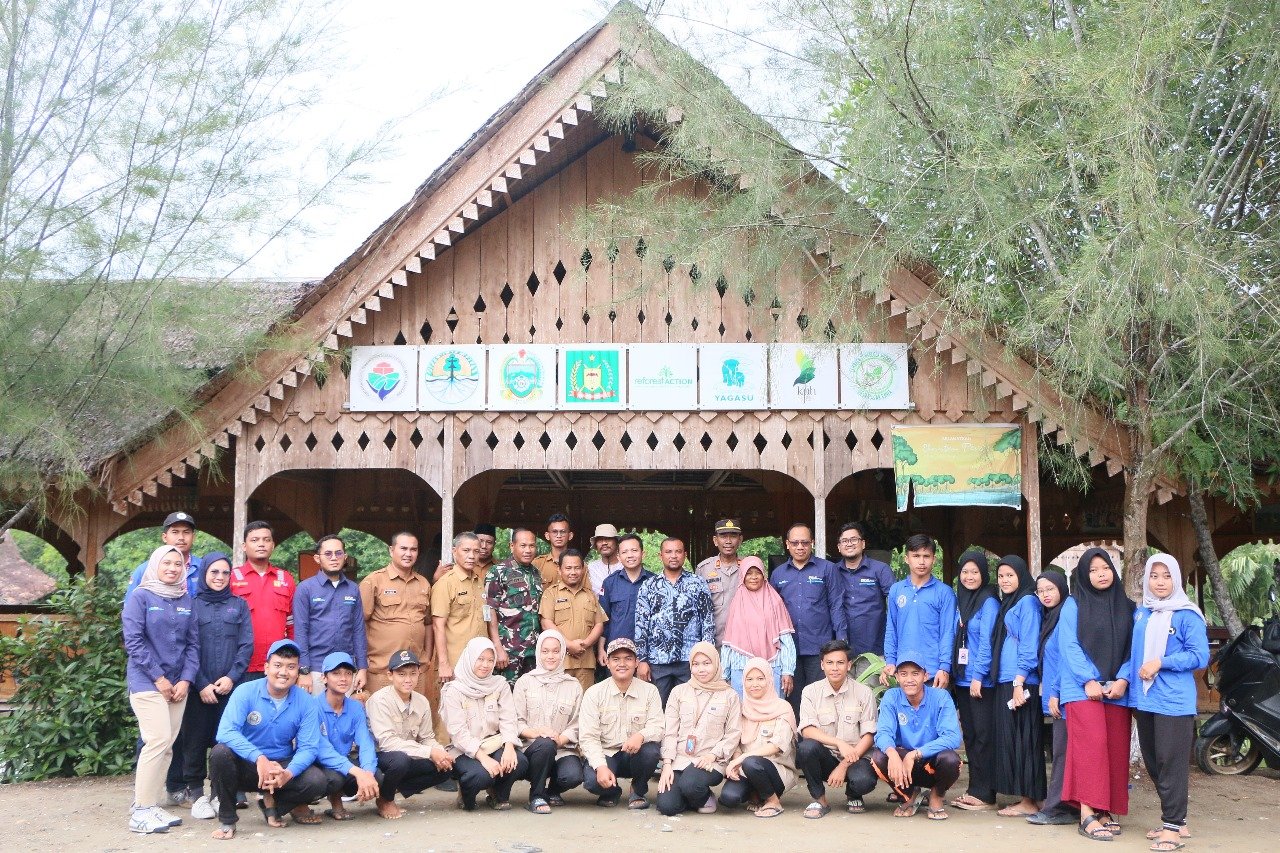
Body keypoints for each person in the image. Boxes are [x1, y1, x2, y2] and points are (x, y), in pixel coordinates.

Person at [208, 639, 328, 840]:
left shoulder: (306, 702)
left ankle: (274, 806)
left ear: (298, 671)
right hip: (248, 766)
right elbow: (225, 732)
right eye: (278, 665)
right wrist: (259, 758)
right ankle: (228, 820)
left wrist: (288, 773)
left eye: (291, 667)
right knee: (220, 753)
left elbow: (308, 747)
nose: (284, 672)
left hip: (280, 766)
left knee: (318, 781)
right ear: (266, 668)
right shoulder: (245, 691)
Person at [123, 511, 204, 808]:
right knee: (156, 741)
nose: (172, 567)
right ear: (156, 564)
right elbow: (133, 639)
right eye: (166, 562)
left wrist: (185, 679)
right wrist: (159, 677)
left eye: (177, 563)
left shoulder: (184, 598)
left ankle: (152, 804)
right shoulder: (141, 595)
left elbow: (193, 643)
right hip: (148, 680)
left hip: (178, 681)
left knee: (167, 746)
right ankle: (142, 807)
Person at [1130, 554, 1208, 852]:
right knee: (1153, 762)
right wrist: (1125, 683)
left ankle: (1173, 827)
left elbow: (1200, 655)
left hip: (1174, 700)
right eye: (1154, 576)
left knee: (1171, 763)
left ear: (1176, 579)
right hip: (1144, 698)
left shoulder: (1187, 615)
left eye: (1166, 576)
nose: (1160, 582)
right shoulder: (1143, 613)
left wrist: (1162, 662)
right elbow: (1134, 656)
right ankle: (1176, 820)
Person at [1059, 547, 1134, 842]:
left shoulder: (1128, 606)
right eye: (1092, 570)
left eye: (1105, 568)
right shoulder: (1073, 604)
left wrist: (1124, 679)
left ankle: (1106, 810)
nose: (1100, 574)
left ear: (1113, 571)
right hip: (1081, 688)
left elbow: (1134, 649)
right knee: (1092, 746)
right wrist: (1088, 679)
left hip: (1117, 689)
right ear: (1083, 574)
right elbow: (1069, 645)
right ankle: (1087, 813)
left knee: (1115, 748)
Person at [360, 532, 449, 757]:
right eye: (403, 549)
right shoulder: (374, 581)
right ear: (391, 551)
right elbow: (358, 624)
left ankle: (410, 777)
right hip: (381, 670)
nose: (408, 554)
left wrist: (428, 654)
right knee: (379, 730)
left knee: (412, 726)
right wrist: (360, 664)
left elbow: (428, 623)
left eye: (413, 549)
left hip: (413, 670)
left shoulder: (423, 583)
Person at [181, 553, 253, 815]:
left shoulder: (239, 605)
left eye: (225, 573)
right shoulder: (191, 604)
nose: (220, 577)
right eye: (214, 572)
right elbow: (187, 647)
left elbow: (246, 646)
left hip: (230, 688)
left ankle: (218, 793)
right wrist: (201, 684)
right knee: (195, 740)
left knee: (224, 741)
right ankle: (197, 794)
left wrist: (231, 678)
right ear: (204, 574)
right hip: (198, 688)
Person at [868, 654, 964, 820]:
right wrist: (892, 753)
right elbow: (883, 733)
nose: (909, 679)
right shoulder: (892, 697)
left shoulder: (941, 697)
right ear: (896, 677)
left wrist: (916, 754)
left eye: (915, 673)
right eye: (903, 674)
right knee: (878, 757)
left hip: (931, 763)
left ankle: (936, 796)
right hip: (903, 764)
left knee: (951, 760)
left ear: (925, 676)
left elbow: (953, 737)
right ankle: (908, 794)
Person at [439, 637, 529, 811]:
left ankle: (498, 794)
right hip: (463, 750)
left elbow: (508, 718)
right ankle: (466, 796)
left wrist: (509, 746)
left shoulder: (499, 685)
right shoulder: (453, 690)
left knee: (519, 761)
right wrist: (483, 758)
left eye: (490, 660)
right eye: (480, 659)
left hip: (493, 742)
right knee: (480, 775)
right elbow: (458, 733)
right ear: (470, 658)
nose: (485, 665)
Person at [365, 649, 455, 819]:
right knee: (399, 760)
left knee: (447, 767)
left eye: (413, 674)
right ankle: (386, 799)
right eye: (401, 674)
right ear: (390, 675)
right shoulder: (379, 701)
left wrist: (441, 753)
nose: (408, 679)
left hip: (409, 755)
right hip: (379, 758)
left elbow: (427, 737)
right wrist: (429, 752)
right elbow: (387, 743)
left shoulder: (421, 701)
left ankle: (392, 788)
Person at [770, 522, 847, 719]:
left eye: (804, 542)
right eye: (795, 543)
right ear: (787, 544)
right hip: (789, 650)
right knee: (793, 699)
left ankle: (819, 746)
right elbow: (771, 613)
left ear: (812, 542)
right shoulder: (778, 574)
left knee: (820, 699)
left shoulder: (827, 569)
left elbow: (836, 606)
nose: (800, 547)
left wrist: (841, 644)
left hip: (819, 648)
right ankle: (796, 745)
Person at [796, 639, 878, 819]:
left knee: (864, 781)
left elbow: (869, 735)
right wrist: (838, 743)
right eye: (829, 663)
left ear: (849, 665)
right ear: (822, 665)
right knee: (806, 748)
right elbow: (807, 730)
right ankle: (820, 799)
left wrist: (844, 764)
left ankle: (854, 794)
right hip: (826, 757)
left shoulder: (864, 692)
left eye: (840, 663)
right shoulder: (810, 692)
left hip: (856, 756)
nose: (835, 668)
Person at [656, 642, 742, 816]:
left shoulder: (729, 695)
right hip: (680, 759)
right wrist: (666, 764)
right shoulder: (679, 692)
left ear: (716, 664)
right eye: (696, 664)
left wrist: (713, 754)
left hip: (710, 761)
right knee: (667, 806)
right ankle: (690, 797)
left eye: (706, 663)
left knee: (690, 784)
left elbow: (733, 733)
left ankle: (704, 797)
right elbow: (670, 731)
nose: (701, 669)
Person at [579, 638, 665, 809]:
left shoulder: (650, 691)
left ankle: (637, 790)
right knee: (592, 782)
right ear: (608, 663)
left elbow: (658, 727)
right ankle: (612, 791)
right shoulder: (594, 693)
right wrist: (601, 766)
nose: (622, 664)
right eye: (616, 659)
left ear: (636, 663)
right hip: (607, 754)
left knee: (651, 751)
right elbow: (588, 737)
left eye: (628, 658)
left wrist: (641, 736)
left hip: (635, 755)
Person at [989, 554, 1045, 817]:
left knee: (1026, 741)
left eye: (1010, 575)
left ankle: (1030, 800)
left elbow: (1029, 644)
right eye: (1001, 576)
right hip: (1007, 680)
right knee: (1016, 740)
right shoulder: (1010, 603)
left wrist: (1018, 681)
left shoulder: (1028, 602)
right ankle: (1028, 798)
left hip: (1020, 682)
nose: (1005, 580)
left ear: (1021, 576)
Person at [634, 537, 715, 707]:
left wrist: (707, 656)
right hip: (658, 661)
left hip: (690, 660)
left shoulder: (697, 583)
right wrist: (641, 660)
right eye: (668, 552)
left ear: (685, 555)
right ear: (660, 555)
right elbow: (641, 624)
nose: (673, 556)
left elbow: (707, 621)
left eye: (678, 551)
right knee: (657, 709)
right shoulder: (649, 585)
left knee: (689, 708)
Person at [948, 550, 999, 811]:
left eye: (975, 572)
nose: (969, 577)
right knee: (969, 736)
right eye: (965, 572)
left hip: (982, 682)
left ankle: (986, 793)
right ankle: (975, 788)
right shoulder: (961, 601)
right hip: (963, 680)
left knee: (983, 737)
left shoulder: (988, 602)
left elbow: (988, 643)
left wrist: (978, 675)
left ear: (983, 574)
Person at [514, 630, 585, 814]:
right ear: (538, 652)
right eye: (545, 651)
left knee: (573, 776)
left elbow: (577, 724)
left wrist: (560, 740)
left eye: (555, 651)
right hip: (531, 750)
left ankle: (552, 791)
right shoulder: (525, 682)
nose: (550, 656)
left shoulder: (573, 686)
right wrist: (536, 733)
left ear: (562, 653)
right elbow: (516, 722)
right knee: (544, 745)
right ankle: (537, 796)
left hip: (561, 749)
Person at [1027, 569, 1077, 826]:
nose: (1045, 595)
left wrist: (1055, 693)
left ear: (1062, 588)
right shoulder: (1051, 617)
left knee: (1063, 752)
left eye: (1050, 589)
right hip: (1057, 695)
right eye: (1041, 591)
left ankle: (1058, 808)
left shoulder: (1067, 616)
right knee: (1062, 751)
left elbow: (1066, 660)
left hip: (1067, 695)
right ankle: (1062, 805)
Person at [719, 656, 797, 818]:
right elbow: (736, 743)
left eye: (760, 678)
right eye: (749, 679)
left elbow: (777, 745)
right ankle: (755, 793)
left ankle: (773, 801)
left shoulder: (783, 708)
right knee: (728, 799)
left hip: (776, 770)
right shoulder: (741, 708)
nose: (754, 684)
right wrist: (738, 761)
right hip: (745, 767)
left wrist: (743, 758)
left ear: (769, 680)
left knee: (752, 762)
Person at [307, 652, 380, 822]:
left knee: (378, 775)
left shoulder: (355, 707)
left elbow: (366, 742)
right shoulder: (312, 707)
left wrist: (367, 773)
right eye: (336, 673)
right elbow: (320, 750)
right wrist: (357, 772)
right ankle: (302, 806)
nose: (343, 678)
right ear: (324, 678)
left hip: (342, 761)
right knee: (332, 777)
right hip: (315, 763)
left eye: (348, 673)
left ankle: (363, 795)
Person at [293, 533, 367, 695]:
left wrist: (362, 668)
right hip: (316, 669)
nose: (334, 557)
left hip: (346, 669)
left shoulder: (353, 589)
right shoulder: (305, 589)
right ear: (317, 558)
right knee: (315, 718)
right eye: (328, 554)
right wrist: (304, 671)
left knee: (343, 717)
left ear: (345, 557)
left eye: (338, 553)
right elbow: (300, 631)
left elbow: (358, 630)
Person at [882, 534, 956, 691]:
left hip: (933, 672)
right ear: (906, 558)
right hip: (902, 671)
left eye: (926, 556)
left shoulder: (945, 592)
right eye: (916, 556)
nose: (921, 562)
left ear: (934, 559)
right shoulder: (896, 590)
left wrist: (944, 667)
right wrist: (890, 661)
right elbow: (891, 629)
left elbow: (948, 633)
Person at [720, 556, 796, 696]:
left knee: (773, 712)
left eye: (758, 572)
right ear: (742, 575)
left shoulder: (775, 601)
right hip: (741, 667)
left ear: (764, 575)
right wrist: (724, 675)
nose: (753, 577)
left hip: (772, 666)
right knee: (743, 713)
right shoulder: (737, 603)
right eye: (749, 573)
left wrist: (787, 671)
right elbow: (729, 642)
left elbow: (786, 639)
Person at [230, 521, 296, 680]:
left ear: (273, 545)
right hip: (242, 665)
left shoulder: (286, 579)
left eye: (266, 540)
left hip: (279, 666)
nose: (261, 544)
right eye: (255, 540)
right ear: (244, 546)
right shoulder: (231, 578)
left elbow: (292, 624)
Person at [539, 549, 608, 691]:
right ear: (559, 570)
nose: (573, 572)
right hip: (559, 661)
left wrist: (585, 645)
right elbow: (546, 623)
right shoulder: (551, 593)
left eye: (577, 568)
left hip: (585, 662)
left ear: (583, 569)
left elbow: (599, 625)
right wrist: (568, 644)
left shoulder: (591, 595)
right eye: (568, 568)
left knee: (583, 705)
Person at [484, 527, 544, 684]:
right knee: (506, 701)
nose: (528, 550)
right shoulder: (498, 572)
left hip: (533, 651)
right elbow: (490, 611)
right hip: (508, 651)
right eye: (523, 545)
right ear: (512, 546)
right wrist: (497, 647)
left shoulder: (536, 573)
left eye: (532, 546)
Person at [834, 521, 894, 669]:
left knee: (870, 692)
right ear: (839, 547)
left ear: (863, 543)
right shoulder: (832, 571)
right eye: (844, 541)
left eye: (854, 539)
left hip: (874, 651)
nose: (849, 544)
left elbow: (895, 604)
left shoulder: (880, 570)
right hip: (841, 652)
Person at [431, 532, 487, 685]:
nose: (472, 556)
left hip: (480, 662)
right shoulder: (445, 583)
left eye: (476, 551)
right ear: (454, 551)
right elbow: (438, 626)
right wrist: (443, 664)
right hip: (456, 662)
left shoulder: (478, 581)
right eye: (466, 550)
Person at [125, 511, 204, 599]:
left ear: (193, 537)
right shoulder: (145, 570)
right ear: (164, 537)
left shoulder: (205, 568)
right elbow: (130, 606)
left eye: (186, 532)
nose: (181, 537)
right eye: (175, 532)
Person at [694, 518, 745, 643]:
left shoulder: (749, 568)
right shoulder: (704, 569)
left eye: (733, 536)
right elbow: (696, 608)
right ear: (715, 540)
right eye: (723, 536)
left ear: (740, 540)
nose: (728, 541)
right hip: (714, 640)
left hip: (743, 640)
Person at [598, 533, 649, 654]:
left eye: (634, 550)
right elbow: (603, 620)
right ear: (619, 556)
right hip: (616, 650)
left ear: (643, 553)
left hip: (647, 653)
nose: (630, 555)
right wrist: (600, 649)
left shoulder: (654, 582)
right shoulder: (609, 583)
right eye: (625, 552)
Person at [532, 513, 573, 586]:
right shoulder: (537, 564)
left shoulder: (579, 565)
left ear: (570, 535)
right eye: (554, 532)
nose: (559, 536)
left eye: (563, 532)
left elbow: (586, 594)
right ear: (547, 536)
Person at [587, 523, 622, 596]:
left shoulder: (625, 566)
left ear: (616, 543)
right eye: (600, 540)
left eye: (608, 539)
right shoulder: (591, 568)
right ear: (596, 545)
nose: (604, 543)